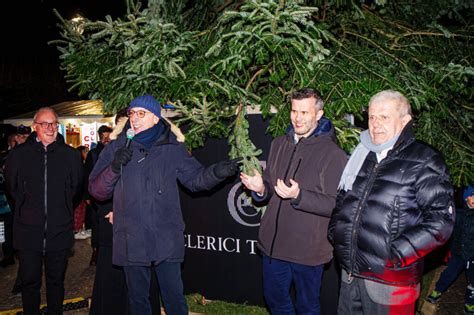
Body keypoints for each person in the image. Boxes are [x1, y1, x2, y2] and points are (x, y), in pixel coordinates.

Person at [89, 94, 240, 315]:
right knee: (138, 302)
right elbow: (97, 191)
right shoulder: (116, 147)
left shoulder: (172, 148)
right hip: (132, 239)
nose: (135, 119)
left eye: (142, 114)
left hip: (166, 237)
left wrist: (218, 172)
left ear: (155, 118)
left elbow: (195, 179)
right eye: (132, 113)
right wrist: (114, 167)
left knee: (174, 298)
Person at [328, 90, 455, 314]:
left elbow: (441, 222)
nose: (375, 124)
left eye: (384, 117)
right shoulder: (361, 154)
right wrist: (335, 232)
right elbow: (343, 199)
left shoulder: (425, 159)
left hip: (390, 281)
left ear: (405, 121)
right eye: (372, 117)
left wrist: (395, 254)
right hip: (350, 273)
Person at [240, 87, 347, 314]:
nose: (297, 118)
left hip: (308, 252)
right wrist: (260, 189)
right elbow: (270, 185)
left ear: (318, 114)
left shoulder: (333, 154)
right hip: (273, 246)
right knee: (275, 301)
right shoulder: (280, 143)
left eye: (304, 112)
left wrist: (300, 196)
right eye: (294, 111)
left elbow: (336, 204)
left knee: (307, 307)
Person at [5, 107, 83, 315]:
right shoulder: (19, 155)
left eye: (54, 124)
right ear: (35, 127)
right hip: (28, 232)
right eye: (45, 124)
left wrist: (62, 209)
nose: (50, 128)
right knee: (30, 283)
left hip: (59, 231)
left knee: (56, 282)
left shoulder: (70, 156)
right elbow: (12, 188)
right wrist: (26, 209)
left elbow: (76, 189)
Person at [426, 185, 474, 315]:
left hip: (473, 256)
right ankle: (438, 290)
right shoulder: (459, 214)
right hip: (458, 253)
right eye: (472, 195)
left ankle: (470, 302)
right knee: (449, 274)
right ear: (465, 198)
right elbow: (450, 231)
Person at [83, 125, 112, 266]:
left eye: (108, 136)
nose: (106, 139)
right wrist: (87, 195)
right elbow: (86, 175)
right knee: (96, 224)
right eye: (103, 136)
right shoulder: (93, 153)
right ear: (99, 137)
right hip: (95, 195)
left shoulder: (115, 150)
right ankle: (95, 251)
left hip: (111, 193)